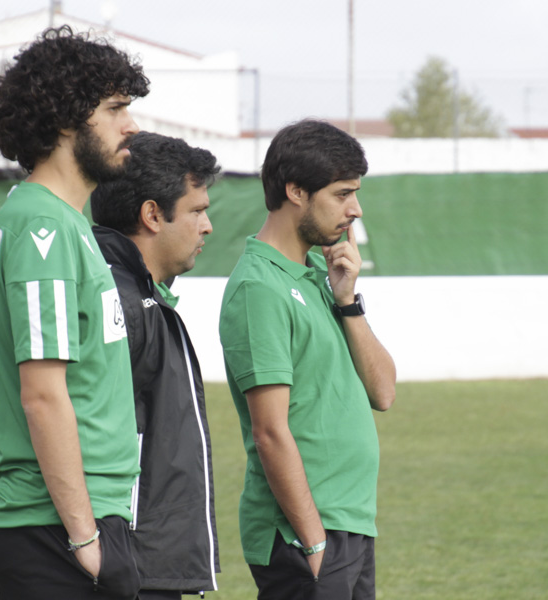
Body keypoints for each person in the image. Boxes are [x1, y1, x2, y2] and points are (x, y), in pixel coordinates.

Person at [0, 26, 148, 600]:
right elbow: (42, 394)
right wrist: (81, 538)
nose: (133, 125)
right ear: (68, 118)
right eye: (117, 108)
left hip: (64, 520)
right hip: (68, 529)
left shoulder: (57, 221)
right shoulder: (42, 225)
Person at [218, 119, 397, 600]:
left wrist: (348, 301)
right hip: (304, 534)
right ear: (296, 191)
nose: (355, 210)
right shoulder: (260, 288)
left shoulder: (323, 272)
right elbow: (270, 431)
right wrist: (314, 541)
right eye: (342, 194)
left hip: (350, 523)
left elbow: (384, 392)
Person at [89, 131, 221, 599]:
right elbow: (69, 422)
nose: (207, 226)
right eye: (197, 210)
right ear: (151, 215)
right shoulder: (121, 303)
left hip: (135, 559)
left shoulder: (138, 297)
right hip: (124, 564)